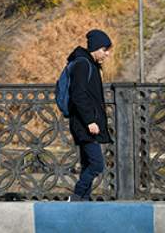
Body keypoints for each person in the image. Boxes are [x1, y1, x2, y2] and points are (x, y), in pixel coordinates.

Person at [67, 29, 113, 202]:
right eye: (104, 49)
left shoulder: (90, 64)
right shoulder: (82, 64)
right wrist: (90, 121)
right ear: (95, 47)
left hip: (87, 124)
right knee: (97, 164)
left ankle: (83, 200)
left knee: (88, 164)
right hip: (84, 124)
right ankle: (77, 195)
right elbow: (78, 95)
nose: (107, 54)